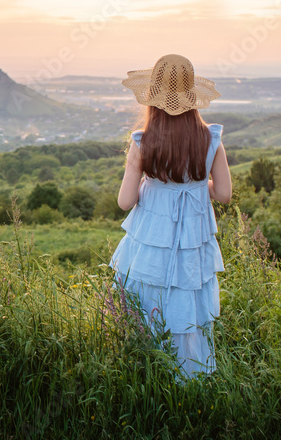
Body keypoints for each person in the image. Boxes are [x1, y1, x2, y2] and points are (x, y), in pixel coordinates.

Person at [109, 54, 231, 378]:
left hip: (152, 240)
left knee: (148, 299)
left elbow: (124, 201)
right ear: (192, 97)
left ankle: (150, 373)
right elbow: (223, 194)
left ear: (152, 96)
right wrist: (192, 188)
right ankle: (191, 375)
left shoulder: (143, 142)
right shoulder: (211, 140)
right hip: (192, 243)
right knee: (186, 302)